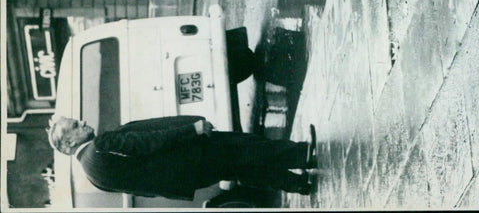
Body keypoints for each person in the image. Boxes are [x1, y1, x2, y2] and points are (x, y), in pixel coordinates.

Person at [47, 115, 317, 199]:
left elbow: (142, 189)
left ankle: (297, 185)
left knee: (242, 169)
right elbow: (151, 141)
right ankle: (303, 155)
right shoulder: (101, 144)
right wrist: (192, 129)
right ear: (70, 142)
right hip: (190, 154)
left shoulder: (92, 176)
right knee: (246, 148)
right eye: (75, 125)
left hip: (187, 178)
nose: (81, 122)